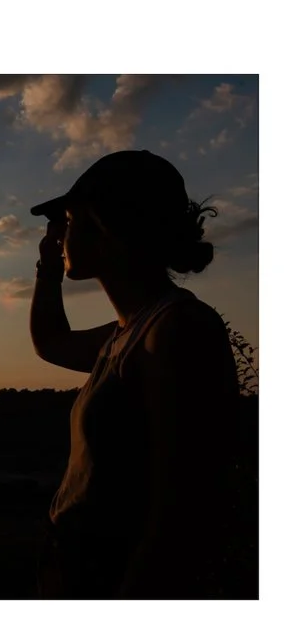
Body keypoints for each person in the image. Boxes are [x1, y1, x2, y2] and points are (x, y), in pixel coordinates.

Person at [26, 149, 238, 598]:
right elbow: (52, 342)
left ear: (106, 226)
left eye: (68, 221)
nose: (60, 235)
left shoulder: (176, 330)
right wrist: (49, 266)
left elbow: (184, 507)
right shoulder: (129, 330)